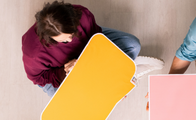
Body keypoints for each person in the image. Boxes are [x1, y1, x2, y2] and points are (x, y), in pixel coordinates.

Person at [22, 1, 164, 98]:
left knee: (133, 45)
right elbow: (38, 78)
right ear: (49, 38)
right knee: (69, 103)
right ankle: (119, 75)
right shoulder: (33, 53)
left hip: (88, 52)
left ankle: (117, 77)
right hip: (59, 72)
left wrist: (91, 65)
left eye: (72, 34)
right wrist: (63, 72)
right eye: (64, 40)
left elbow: (97, 38)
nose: (70, 41)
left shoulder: (82, 14)